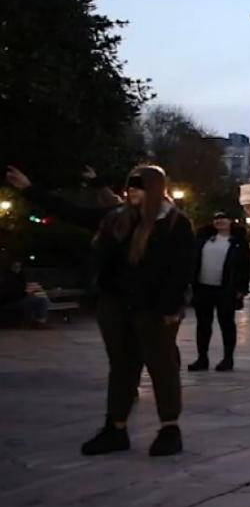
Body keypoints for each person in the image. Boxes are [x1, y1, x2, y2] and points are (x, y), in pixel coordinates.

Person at [5, 164, 195, 457]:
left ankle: (169, 428)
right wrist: (29, 189)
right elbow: (71, 212)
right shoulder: (116, 219)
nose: (132, 190)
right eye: (130, 185)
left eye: (139, 185)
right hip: (116, 304)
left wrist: (170, 307)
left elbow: (180, 269)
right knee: (121, 367)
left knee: (162, 366)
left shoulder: (174, 223)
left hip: (154, 308)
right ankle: (115, 428)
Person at [188, 212, 249, 372]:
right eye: (217, 218)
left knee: (227, 324)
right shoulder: (204, 239)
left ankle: (228, 358)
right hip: (203, 287)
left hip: (226, 289)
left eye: (223, 218)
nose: (220, 221)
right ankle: (202, 358)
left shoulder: (238, 242)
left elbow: (244, 266)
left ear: (230, 221)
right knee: (203, 325)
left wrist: (241, 288)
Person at [0, 257, 51, 328]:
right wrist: (25, 293)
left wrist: (27, 292)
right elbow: (10, 293)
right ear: (11, 267)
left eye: (19, 267)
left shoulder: (18, 276)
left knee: (40, 297)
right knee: (41, 300)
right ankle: (39, 322)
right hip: (10, 302)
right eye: (15, 267)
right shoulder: (8, 277)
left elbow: (20, 289)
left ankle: (39, 320)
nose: (17, 269)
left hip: (17, 299)